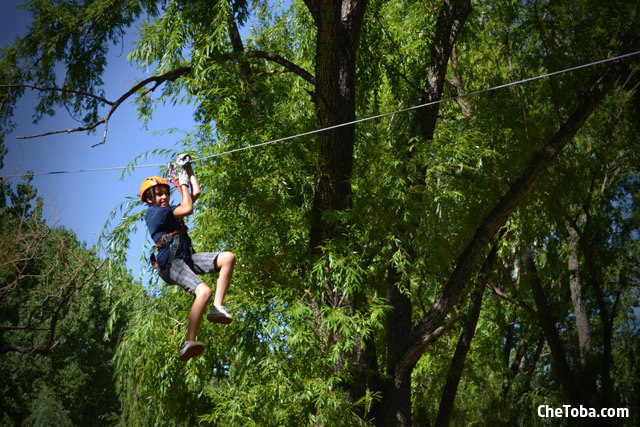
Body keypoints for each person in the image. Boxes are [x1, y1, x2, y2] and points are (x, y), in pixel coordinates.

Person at [140, 156, 235, 361]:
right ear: (150, 199)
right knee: (204, 291)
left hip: (186, 257)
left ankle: (217, 308)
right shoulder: (155, 214)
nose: (164, 197)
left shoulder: (169, 211)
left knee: (227, 258)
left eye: (166, 193)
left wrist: (188, 171)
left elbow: (195, 194)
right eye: (159, 195)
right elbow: (188, 208)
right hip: (171, 263)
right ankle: (188, 342)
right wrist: (181, 183)